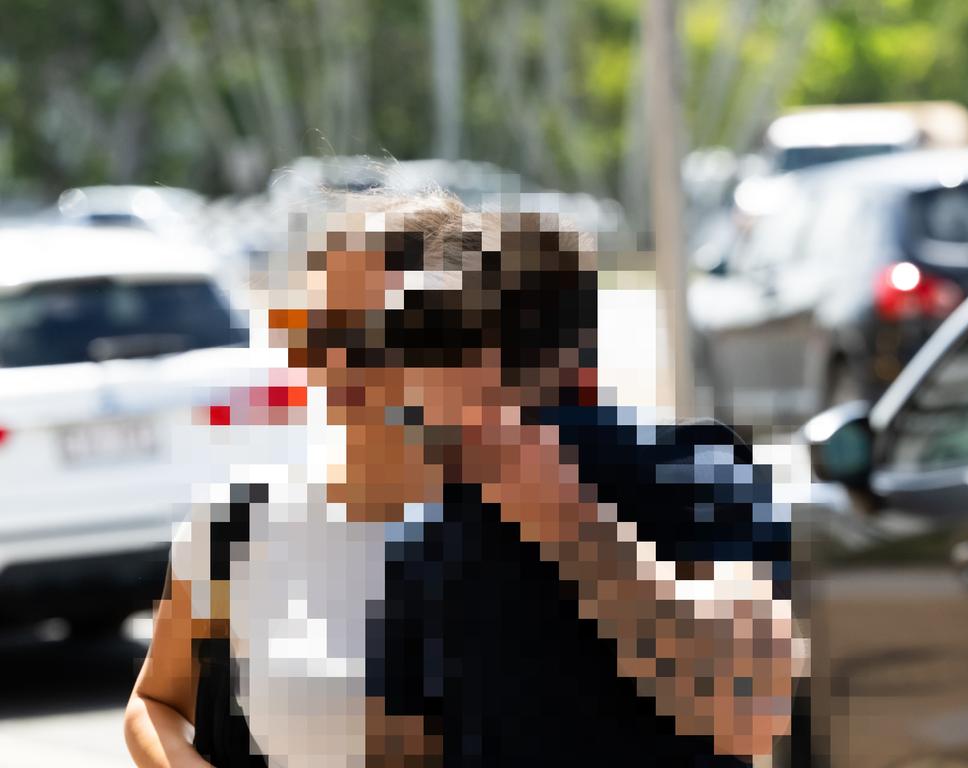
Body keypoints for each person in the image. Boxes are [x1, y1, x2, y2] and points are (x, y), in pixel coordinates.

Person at [125, 192, 800, 767]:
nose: (333, 366)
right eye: (311, 335)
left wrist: (557, 508)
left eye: (371, 337)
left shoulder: (673, 473)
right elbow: (160, 702)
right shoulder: (287, 532)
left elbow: (747, 704)